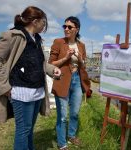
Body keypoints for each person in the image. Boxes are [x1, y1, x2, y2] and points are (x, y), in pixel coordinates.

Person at [0, 6, 61, 150]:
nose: (44, 26)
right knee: (23, 130)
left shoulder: (37, 39)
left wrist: (53, 69)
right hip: (20, 93)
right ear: (35, 21)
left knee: (29, 129)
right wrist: (3, 87)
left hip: (37, 92)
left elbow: (41, 64)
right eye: (44, 23)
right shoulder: (13, 36)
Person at [48, 16, 91, 150]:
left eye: (69, 27)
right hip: (62, 80)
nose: (66, 29)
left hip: (77, 80)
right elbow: (51, 64)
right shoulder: (58, 42)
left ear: (76, 29)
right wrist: (66, 58)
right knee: (62, 116)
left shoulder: (81, 45)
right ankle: (62, 144)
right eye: (64, 26)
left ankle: (71, 135)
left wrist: (80, 59)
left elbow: (84, 65)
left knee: (74, 113)